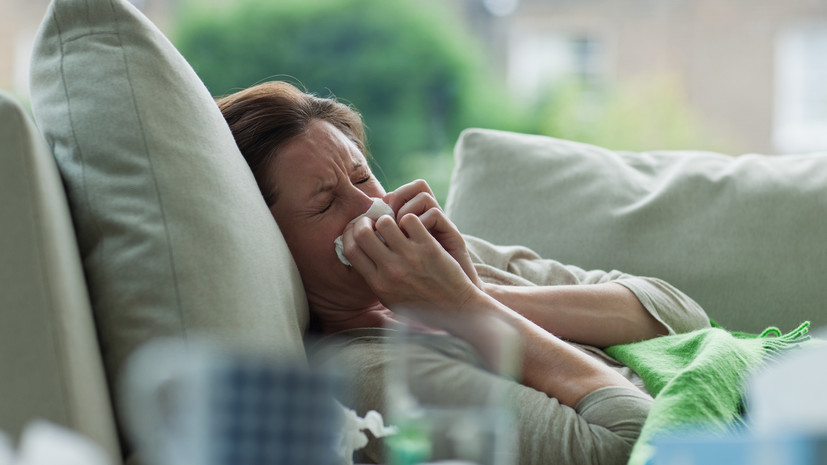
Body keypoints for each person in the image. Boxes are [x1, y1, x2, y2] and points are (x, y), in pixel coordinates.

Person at [217, 81, 710, 465]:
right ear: (274, 245)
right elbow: (636, 447)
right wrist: (462, 311)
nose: (369, 206)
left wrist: (471, 291)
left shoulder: (442, 261)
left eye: (363, 175)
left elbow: (681, 315)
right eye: (326, 202)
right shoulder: (367, 377)